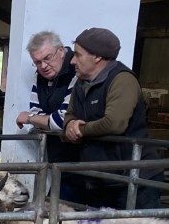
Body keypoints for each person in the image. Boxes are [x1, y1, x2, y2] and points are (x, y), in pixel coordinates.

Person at [62, 27, 163, 210]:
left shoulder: (122, 80)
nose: (72, 61)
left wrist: (80, 130)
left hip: (133, 178)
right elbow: (70, 114)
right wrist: (70, 124)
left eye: (78, 55)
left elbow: (115, 123)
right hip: (101, 176)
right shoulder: (81, 82)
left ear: (97, 57)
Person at [16, 30, 81, 198]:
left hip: (81, 159)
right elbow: (35, 108)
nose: (43, 66)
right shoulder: (41, 77)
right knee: (54, 206)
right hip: (58, 157)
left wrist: (31, 119)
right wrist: (42, 119)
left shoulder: (77, 72)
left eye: (47, 58)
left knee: (65, 208)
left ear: (61, 51)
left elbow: (61, 121)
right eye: (37, 62)